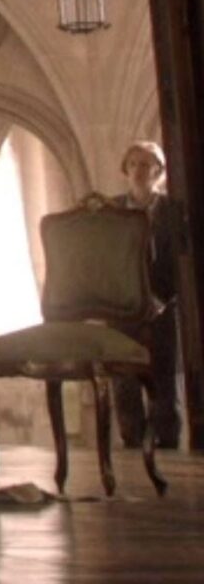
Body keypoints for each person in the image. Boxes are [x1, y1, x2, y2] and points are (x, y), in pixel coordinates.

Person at [111, 140, 187, 450]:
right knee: (124, 382)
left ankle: (168, 448)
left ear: (158, 170)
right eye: (133, 164)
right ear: (126, 170)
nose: (139, 171)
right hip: (122, 308)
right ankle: (132, 448)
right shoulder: (112, 210)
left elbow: (179, 261)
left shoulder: (172, 210)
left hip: (162, 307)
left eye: (146, 165)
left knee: (164, 381)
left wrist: (162, 298)